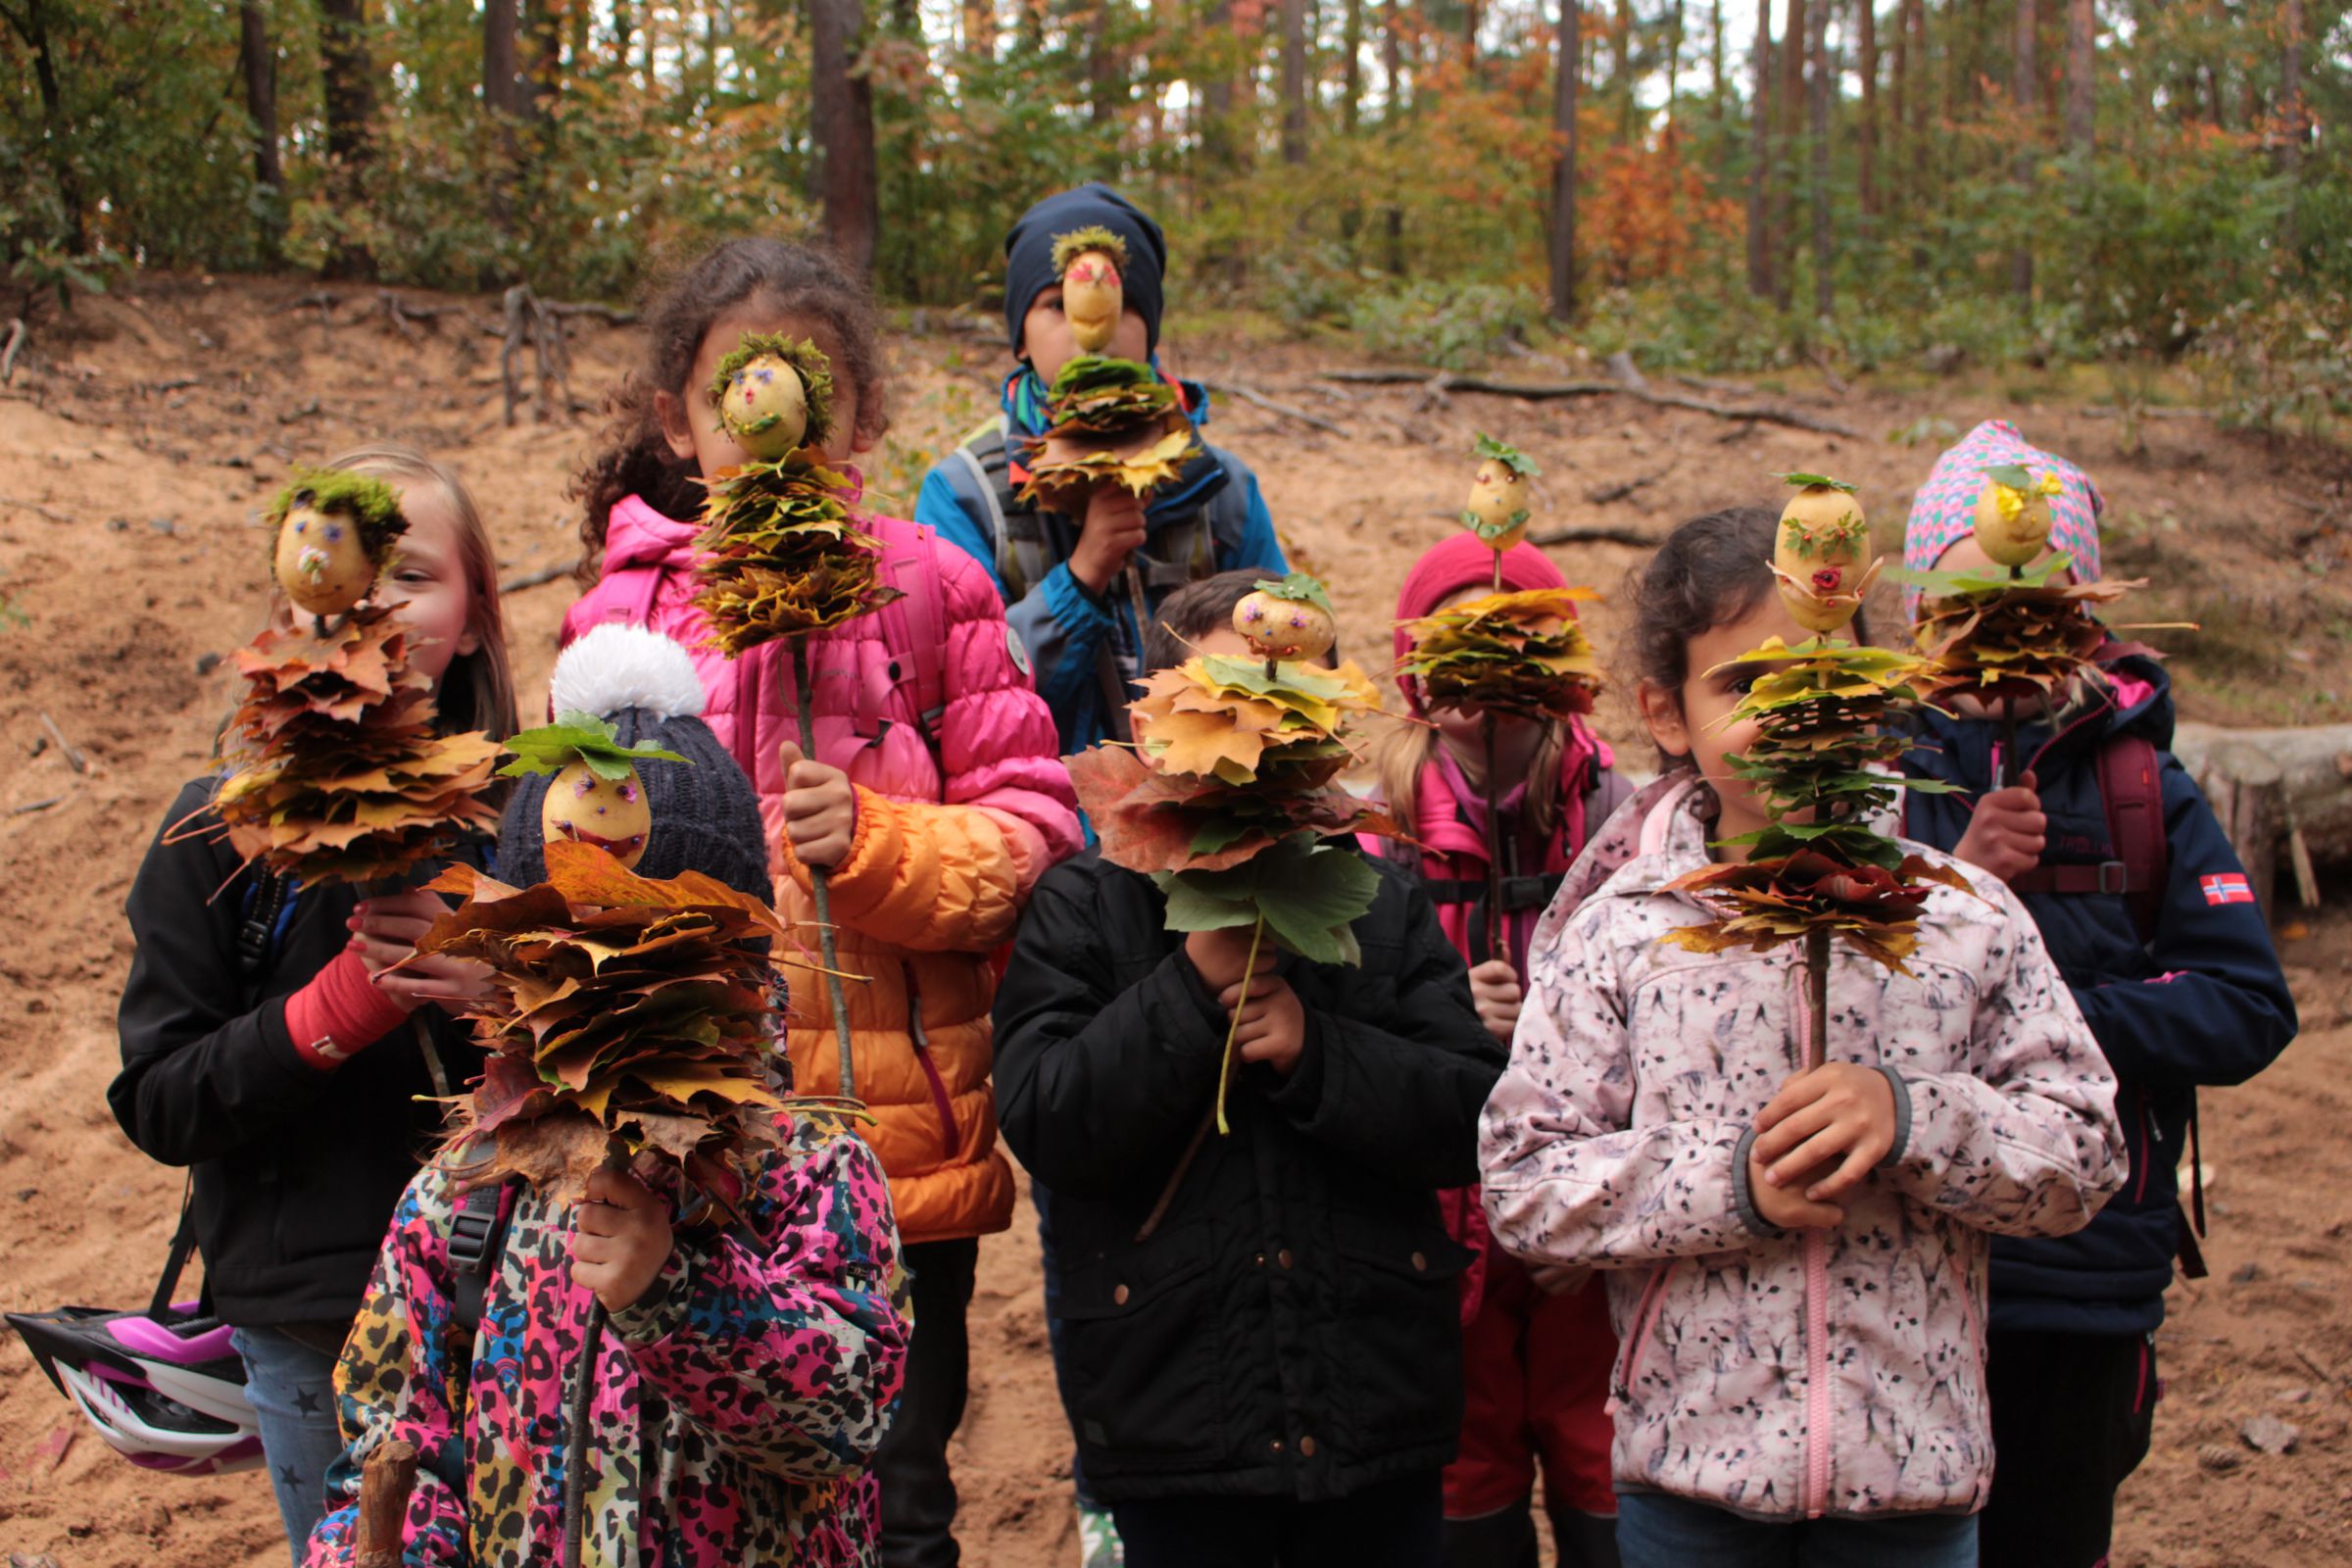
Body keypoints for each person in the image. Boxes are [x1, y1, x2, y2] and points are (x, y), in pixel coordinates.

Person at [563, 235, 1082, 1568]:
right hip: (694, 1144)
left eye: (810, 381)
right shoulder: (624, 618)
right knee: (702, 1491)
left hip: (899, 1159)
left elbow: (1035, 831)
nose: (769, 412)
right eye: (734, 383)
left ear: (859, 410)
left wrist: (881, 844)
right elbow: (561, 864)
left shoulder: (933, 588)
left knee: (895, 1499)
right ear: (680, 416)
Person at [1479, 506, 2127, 1567]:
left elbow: (2087, 1155)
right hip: (1691, 1487)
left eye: (1825, 678)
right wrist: (1732, 1183)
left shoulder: (1964, 914)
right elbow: (1523, 1183)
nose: (1796, 715)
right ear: (1668, 712)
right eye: (1746, 685)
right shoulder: (1623, 929)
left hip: (1914, 1487)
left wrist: (1917, 1119)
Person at [304, 625, 910, 1567]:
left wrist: (676, 1287)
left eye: (655, 952)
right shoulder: (468, 1192)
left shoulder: (810, 1172)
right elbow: (390, 1452)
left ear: (738, 961)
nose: (606, 994)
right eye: (563, 953)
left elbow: (845, 1417)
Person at [992, 569, 1506, 1568]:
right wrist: (1188, 992)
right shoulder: (1085, 907)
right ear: (1157, 723)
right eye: (1226, 709)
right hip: (1176, 1415)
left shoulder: (1376, 900)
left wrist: (1321, 1056)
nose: (1257, 745)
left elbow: (1472, 1114)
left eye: (1289, 709)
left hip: (1375, 1411)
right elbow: (1048, 1120)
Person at [1896, 422, 2297, 1568]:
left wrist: (2062, 1017)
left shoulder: (2142, 783)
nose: (1996, 651)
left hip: (2081, 1276)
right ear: (1923, 615)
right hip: (1902, 1264)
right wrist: (1962, 880)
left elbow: (2248, 1003)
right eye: (1963, 616)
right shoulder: (1873, 771)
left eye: (2032, 614)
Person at [108, 443, 518, 1560]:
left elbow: (662, 1030)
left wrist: (502, 984)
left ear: (477, 615)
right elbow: (159, 1099)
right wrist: (331, 1012)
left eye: (415, 572)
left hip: (534, 1296)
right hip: (313, 1316)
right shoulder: (218, 835)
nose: (376, 600)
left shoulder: (548, 805)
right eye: (351, 565)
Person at [1370, 534, 1626, 1568]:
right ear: (1419, 671)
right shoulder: (1376, 834)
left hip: (1594, 1226)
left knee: (1603, 1455)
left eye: (1517, 650)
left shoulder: (1624, 821)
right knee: (1463, 1474)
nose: (1488, 692)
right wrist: (1444, 1013)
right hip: (1439, 1226)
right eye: (1460, 652)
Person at [915, 183, 1286, 756]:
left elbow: (1287, 656)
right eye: (1057, 305)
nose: (1094, 325)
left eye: (1123, 303)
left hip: (1212, 808)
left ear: (1149, 328)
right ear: (1020, 336)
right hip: (1044, 818)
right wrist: (1081, 575)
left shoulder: (1219, 488)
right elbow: (960, 705)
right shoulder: (965, 494)